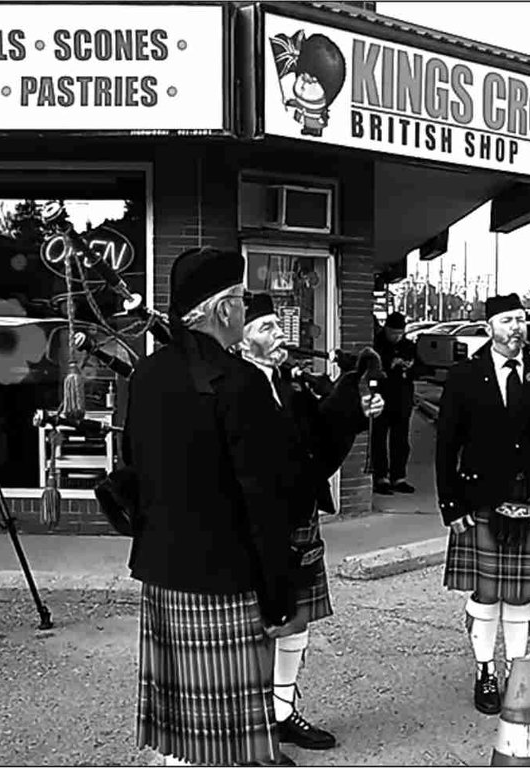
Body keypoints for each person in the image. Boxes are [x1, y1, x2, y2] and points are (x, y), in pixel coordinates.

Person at [122, 247, 303, 767]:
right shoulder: (242, 382)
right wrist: (277, 594)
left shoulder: (148, 373)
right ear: (224, 311)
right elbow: (261, 498)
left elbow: (133, 466)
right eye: (242, 302)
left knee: (184, 734)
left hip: (162, 567)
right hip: (224, 576)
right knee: (219, 743)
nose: (246, 311)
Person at [238, 293, 384, 752]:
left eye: (276, 325)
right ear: (239, 341)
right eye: (265, 328)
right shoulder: (234, 387)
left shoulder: (286, 381)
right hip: (255, 523)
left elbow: (318, 437)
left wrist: (357, 411)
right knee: (253, 629)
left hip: (296, 515)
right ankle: (252, 726)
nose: (278, 333)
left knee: (295, 623)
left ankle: (281, 714)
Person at [435, 293, 530, 715]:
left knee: (520, 596)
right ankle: (485, 670)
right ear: (488, 326)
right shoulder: (465, 376)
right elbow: (446, 444)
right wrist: (451, 504)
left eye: (521, 321)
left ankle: (517, 671)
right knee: (487, 591)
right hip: (481, 497)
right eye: (508, 320)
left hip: (529, 496)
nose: (516, 329)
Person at [371, 312, 419, 495]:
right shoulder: (377, 344)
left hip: (402, 397)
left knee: (400, 440)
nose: (397, 337)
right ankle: (380, 476)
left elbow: (421, 368)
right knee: (379, 438)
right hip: (382, 396)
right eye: (393, 333)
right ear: (387, 330)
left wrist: (409, 367)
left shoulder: (409, 346)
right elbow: (371, 367)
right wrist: (389, 364)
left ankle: (399, 477)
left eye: (400, 333)